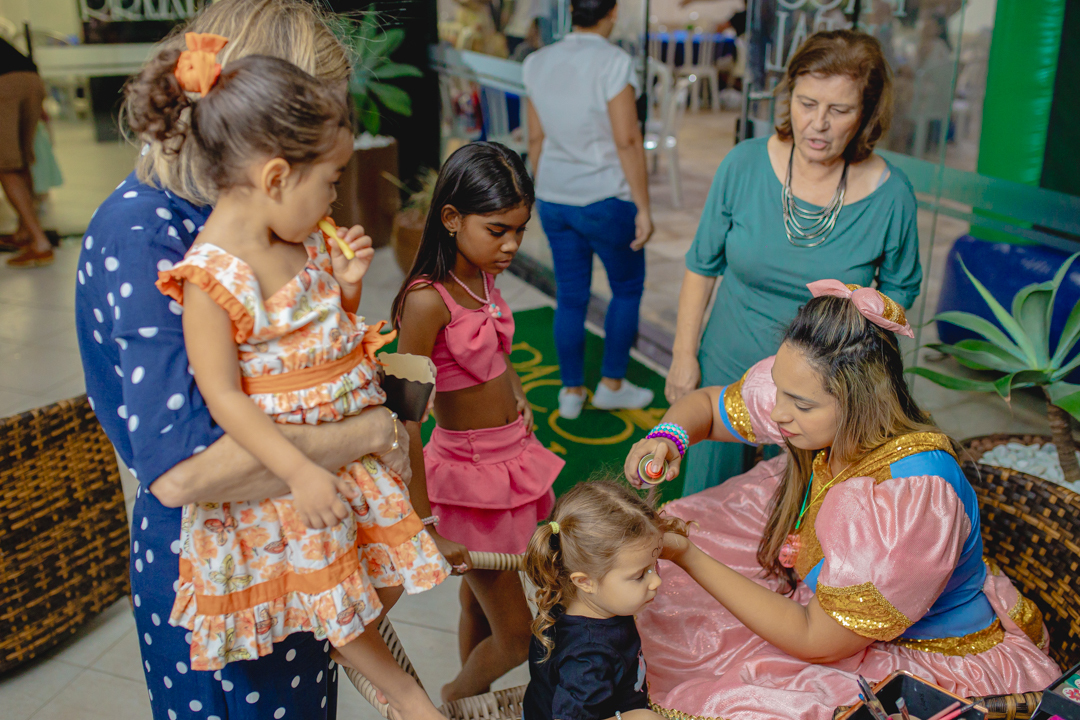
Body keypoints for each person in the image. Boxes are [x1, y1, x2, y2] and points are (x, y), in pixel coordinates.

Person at [74, 1, 410, 717]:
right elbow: (183, 470)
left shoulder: (239, 213)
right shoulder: (148, 233)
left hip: (290, 544)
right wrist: (370, 433)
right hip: (222, 569)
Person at [138, 43, 451, 717]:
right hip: (289, 480)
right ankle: (404, 694)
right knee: (340, 591)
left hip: (346, 459)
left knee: (385, 570)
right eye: (331, 180)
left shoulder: (298, 241)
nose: (335, 196)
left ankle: (360, 652)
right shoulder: (211, 278)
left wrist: (346, 286)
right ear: (277, 176)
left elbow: (316, 335)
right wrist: (299, 471)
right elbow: (223, 396)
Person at [624, 282, 1061, 719]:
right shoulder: (809, 394)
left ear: (859, 400)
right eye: (778, 389)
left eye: (799, 404)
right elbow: (708, 405)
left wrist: (689, 556)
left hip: (922, 657)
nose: (777, 413)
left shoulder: (910, 499)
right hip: (832, 615)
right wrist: (667, 438)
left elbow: (816, 641)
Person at [665, 29, 923, 496]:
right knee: (706, 499)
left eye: (839, 110)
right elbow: (702, 266)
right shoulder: (744, 164)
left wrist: (857, 369)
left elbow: (900, 291)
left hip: (821, 393)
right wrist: (684, 356)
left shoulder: (892, 195)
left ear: (866, 114)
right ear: (789, 98)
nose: (818, 124)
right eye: (807, 103)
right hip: (728, 359)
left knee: (793, 513)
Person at [391, 141, 565, 703]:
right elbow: (405, 419)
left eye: (520, 230)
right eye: (497, 230)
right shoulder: (426, 302)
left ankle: (470, 698)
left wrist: (516, 392)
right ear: (451, 218)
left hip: (512, 458)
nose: (511, 244)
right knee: (516, 637)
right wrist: (425, 523)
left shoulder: (483, 275)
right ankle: (453, 699)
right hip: (470, 481)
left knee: (477, 603)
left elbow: (496, 349)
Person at [524, 0, 655, 421]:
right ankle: (612, 385)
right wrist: (643, 207)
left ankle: (571, 392)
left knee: (571, 294)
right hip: (606, 197)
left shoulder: (537, 62)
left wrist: (545, 187)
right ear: (612, 12)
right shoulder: (614, 62)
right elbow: (627, 140)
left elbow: (535, 139)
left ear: (571, 10)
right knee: (627, 288)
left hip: (554, 197)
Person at [522, 480, 685, 720]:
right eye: (640, 575)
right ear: (585, 581)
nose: (656, 581)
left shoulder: (568, 596)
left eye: (654, 565)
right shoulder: (589, 658)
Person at [0, 36, 52, 267]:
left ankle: (39, 242)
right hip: (31, 80)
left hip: (4, 85)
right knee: (22, 160)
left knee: (5, 166)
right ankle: (23, 232)